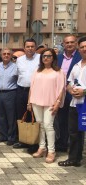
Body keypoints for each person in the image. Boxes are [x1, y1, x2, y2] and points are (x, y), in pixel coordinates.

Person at [28, 48, 65, 163]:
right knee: (41, 125)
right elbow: (32, 87)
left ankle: (51, 151)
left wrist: (58, 103)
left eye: (49, 56)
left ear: (53, 57)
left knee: (48, 125)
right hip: (36, 101)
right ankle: (42, 147)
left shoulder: (58, 72)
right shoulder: (37, 71)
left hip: (51, 102)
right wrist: (29, 102)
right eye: (44, 56)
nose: (46, 58)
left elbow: (61, 89)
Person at [58, 37, 86, 167]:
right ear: (79, 49)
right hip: (75, 104)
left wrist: (84, 92)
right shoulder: (76, 65)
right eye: (82, 47)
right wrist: (70, 90)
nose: (84, 49)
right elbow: (69, 83)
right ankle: (74, 158)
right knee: (74, 133)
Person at [55, 34, 81, 152]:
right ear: (63, 44)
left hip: (75, 94)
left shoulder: (81, 57)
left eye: (72, 42)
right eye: (67, 43)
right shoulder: (58, 57)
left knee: (74, 122)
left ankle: (75, 147)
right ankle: (62, 143)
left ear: (76, 44)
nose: (69, 44)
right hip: (60, 94)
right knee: (61, 120)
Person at [13, 38, 40, 150]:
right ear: (24, 48)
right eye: (27, 46)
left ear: (35, 47)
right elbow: (16, 75)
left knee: (34, 115)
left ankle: (34, 142)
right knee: (21, 115)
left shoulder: (40, 58)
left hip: (35, 91)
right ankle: (23, 140)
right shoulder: (19, 60)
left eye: (32, 46)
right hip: (21, 90)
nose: (30, 48)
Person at [0, 48, 18, 146]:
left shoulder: (15, 67)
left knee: (11, 116)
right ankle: (3, 135)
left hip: (11, 93)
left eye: (8, 54)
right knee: (1, 115)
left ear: (11, 55)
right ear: (1, 55)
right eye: (4, 54)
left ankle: (11, 137)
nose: (6, 55)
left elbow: (17, 80)